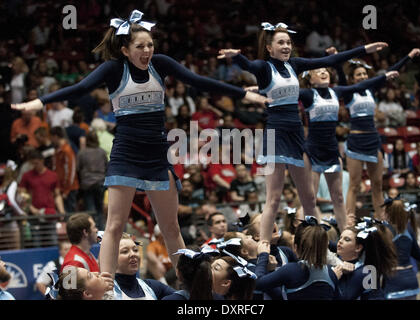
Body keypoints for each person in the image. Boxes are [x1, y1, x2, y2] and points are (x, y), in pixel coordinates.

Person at [12, 11, 268, 295]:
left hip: (158, 156)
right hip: (125, 155)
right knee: (114, 225)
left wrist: (244, 95)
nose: (147, 51)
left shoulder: (160, 64)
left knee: (171, 227)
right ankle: (108, 290)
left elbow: (199, 81)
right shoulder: (113, 69)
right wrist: (40, 102)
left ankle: (191, 286)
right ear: (125, 49)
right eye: (140, 47)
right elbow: (80, 87)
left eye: (150, 45)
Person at [218, 22, 389, 244]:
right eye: (281, 42)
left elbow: (329, 61)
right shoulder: (263, 67)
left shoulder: (295, 65)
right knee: (274, 197)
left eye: (288, 42)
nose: (286, 46)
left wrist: (365, 49)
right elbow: (248, 66)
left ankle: (321, 245)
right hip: (276, 132)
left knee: (308, 198)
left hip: (297, 133)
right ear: (269, 48)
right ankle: (265, 247)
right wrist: (236, 57)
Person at [299, 65, 399, 231]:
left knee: (338, 197)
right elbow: (283, 90)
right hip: (313, 150)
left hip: (332, 149)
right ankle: (310, 234)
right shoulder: (308, 94)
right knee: (310, 198)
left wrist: (386, 75)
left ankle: (347, 233)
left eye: (325, 70)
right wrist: (255, 90)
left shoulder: (336, 92)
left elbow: (361, 85)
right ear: (310, 79)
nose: (323, 72)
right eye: (318, 71)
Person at [339, 48, 420, 220]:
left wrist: (408, 56)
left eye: (364, 74)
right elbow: (340, 75)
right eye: (358, 75)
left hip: (373, 139)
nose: (362, 77)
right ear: (352, 78)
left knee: (377, 185)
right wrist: (335, 58)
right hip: (356, 140)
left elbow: (390, 72)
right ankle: (349, 222)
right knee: (354, 185)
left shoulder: (371, 90)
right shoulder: (348, 92)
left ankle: (380, 221)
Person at [255, 223, 342, 300]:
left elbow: (257, 283)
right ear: (325, 248)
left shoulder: (292, 270)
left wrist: (263, 255)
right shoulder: (331, 273)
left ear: (295, 248)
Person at [336, 218, 397, 299]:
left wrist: (334, 276)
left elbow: (344, 297)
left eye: (347, 239)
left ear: (358, 248)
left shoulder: (365, 272)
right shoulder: (341, 259)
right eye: (340, 237)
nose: (340, 241)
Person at [114, 233, 175, 300]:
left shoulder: (152, 286)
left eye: (135, 250)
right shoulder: (106, 290)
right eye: (125, 251)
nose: (133, 254)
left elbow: (184, 296)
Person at [383, 199, 420, 299]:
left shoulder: (384, 230)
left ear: (388, 213)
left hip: (393, 280)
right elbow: (419, 255)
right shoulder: (409, 229)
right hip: (410, 278)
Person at [77, 130, 108, 230]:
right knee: (99, 210)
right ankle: (101, 233)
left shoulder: (82, 153)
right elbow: (107, 167)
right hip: (100, 183)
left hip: (87, 184)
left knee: (90, 210)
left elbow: (78, 169)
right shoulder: (102, 152)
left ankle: (92, 232)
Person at [50, 126, 79, 213]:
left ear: (55, 136)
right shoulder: (57, 150)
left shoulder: (67, 150)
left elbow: (71, 171)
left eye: (51, 137)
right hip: (61, 188)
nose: (51, 140)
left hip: (70, 189)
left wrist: (67, 190)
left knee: (70, 215)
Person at [0, 160, 26, 250]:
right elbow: (11, 199)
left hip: (2, 220)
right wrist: (21, 212)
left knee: (5, 249)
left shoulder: (2, 185)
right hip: (9, 221)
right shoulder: (13, 183)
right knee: (15, 248)